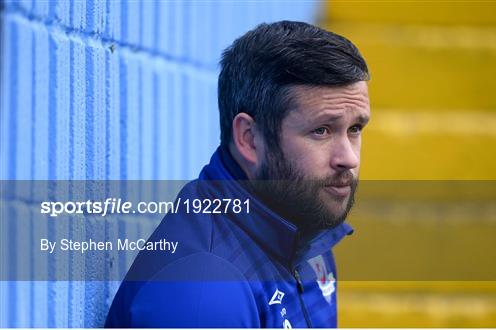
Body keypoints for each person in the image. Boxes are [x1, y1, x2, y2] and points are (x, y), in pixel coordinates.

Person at [105, 20, 370, 328]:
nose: (348, 158)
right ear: (249, 138)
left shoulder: (307, 231)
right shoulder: (203, 295)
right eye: (321, 130)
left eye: (354, 129)